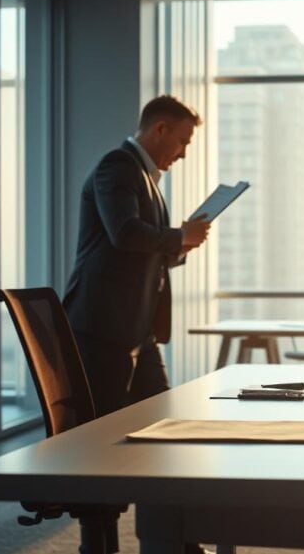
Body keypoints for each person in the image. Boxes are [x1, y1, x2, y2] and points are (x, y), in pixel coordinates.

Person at [62, 95, 210, 553]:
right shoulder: (117, 167)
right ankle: (100, 545)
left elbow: (147, 252)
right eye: (183, 140)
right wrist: (176, 236)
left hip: (136, 332)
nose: (183, 152)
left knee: (166, 427)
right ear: (160, 129)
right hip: (102, 329)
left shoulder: (148, 178)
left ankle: (173, 538)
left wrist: (179, 245)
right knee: (101, 445)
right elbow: (123, 233)